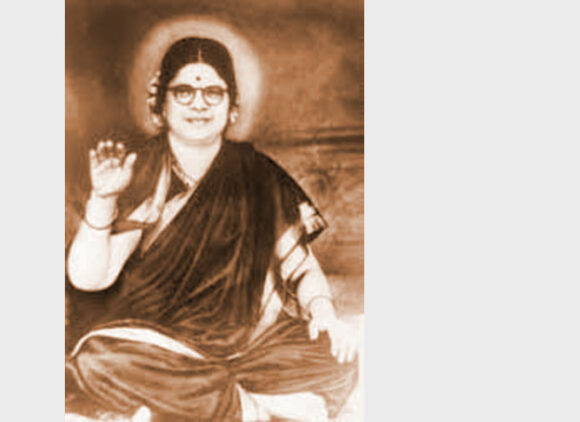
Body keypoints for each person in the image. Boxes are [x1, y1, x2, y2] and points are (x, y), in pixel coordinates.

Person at [65, 37, 359, 421]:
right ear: (161, 105)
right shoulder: (144, 170)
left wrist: (323, 313)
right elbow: (90, 280)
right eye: (184, 92)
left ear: (232, 108)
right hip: (158, 343)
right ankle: (247, 408)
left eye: (213, 93)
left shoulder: (258, 173)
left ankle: (201, 402)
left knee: (336, 357)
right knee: (100, 360)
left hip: (248, 346)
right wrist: (103, 198)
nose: (199, 103)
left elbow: (302, 267)